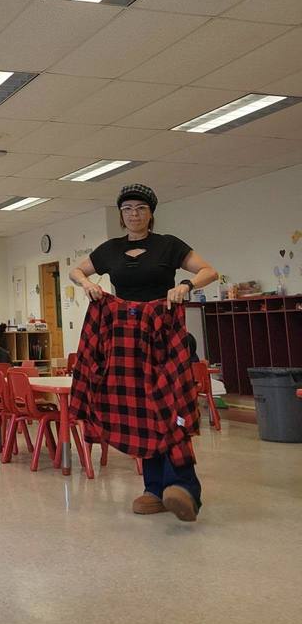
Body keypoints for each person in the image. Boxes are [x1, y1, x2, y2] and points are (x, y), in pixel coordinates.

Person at [68, 184, 217, 522]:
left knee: (171, 404)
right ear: (120, 215)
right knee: (140, 408)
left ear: (151, 213)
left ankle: (184, 487)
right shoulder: (110, 250)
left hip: (164, 335)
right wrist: (88, 284)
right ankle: (154, 488)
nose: (133, 214)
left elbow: (209, 270)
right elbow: (77, 270)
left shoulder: (169, 245)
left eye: (140, 208)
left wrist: (185, 285)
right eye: (127, 209)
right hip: (125, 341)